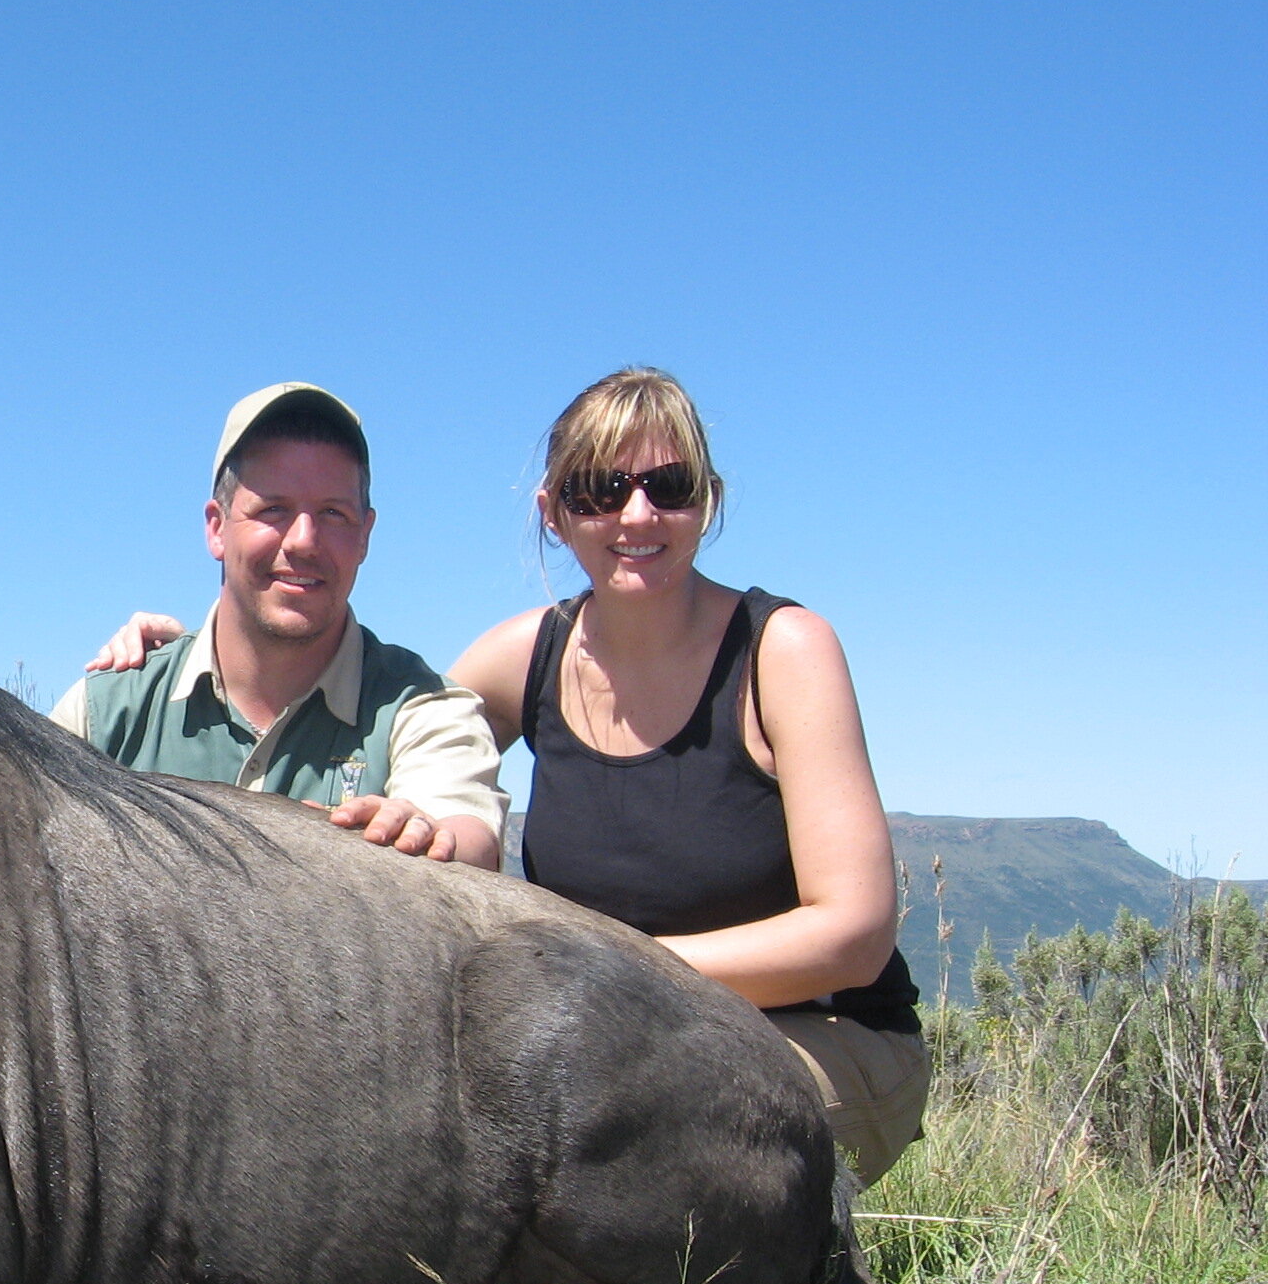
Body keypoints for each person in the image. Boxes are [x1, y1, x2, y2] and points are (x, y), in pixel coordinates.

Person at [83, 368, 927, 1182]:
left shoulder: (782, 652)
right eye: (599, 488)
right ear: (555, 513)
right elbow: (399, 736)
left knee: (619, 1135)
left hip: (805, 1031)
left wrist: (613, 974)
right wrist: (166, 666)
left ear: (707, 498)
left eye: (669, 485)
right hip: (610, 1035)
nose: (637, 514)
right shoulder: (521, 659)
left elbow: (853, 936)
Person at [49, 383, 507, 865]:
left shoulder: (424, 708)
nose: (304, 541)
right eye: (274, 509)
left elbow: (467, 839)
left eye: (333, 513)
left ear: (365, 536)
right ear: (216, 527)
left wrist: (423, 838)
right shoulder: (106, 714)